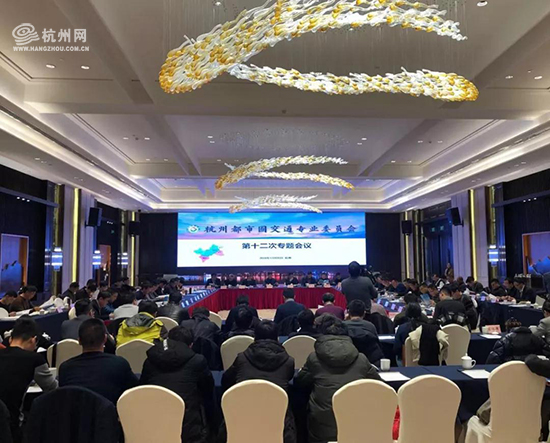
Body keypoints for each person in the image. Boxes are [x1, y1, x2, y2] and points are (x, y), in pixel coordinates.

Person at [295, 316, 381, 443]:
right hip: (356, 422)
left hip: (322, 425)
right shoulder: (361, 359)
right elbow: (379, 386)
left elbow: (299, 382)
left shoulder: (314, 358)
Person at [222, 321, 296, 443]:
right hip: (278, 416)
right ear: (277, 338)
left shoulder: (242, 357)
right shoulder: (288, 361)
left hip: (242, 413)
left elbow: (226, 380)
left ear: (255, 337)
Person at [141, 326, 214, 443]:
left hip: (153, 425)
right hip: (189, 430)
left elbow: (142, 388)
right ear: (190, 345)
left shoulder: (150, 360)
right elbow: (208, 390)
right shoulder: (197, 361)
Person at [0, 318, 57, 439]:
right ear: (33, 340)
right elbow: (52, 388)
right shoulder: (35, 359)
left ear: (10, 339)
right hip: (12, 426)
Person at [59, 318, 138, 404]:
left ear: (79, 341)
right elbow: (134, 392)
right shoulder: (119, 364)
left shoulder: (65, 368)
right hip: (110, 412)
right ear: (105, 339)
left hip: (75, 412)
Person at [344, 300, 384, 367]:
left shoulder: (342, 326)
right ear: (364, 313)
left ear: (348, 312)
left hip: (346, 362)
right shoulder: (370, 326)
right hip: (369, 363)